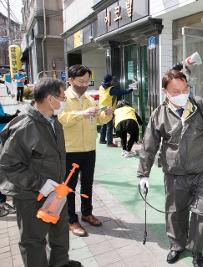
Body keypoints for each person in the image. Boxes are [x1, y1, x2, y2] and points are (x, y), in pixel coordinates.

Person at [137, 70, 203, 267]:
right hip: (174, 174)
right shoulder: (159, 114)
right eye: (175, 91)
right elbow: (148, 146)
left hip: (201, 171)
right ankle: (176, 245)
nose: (182, 94)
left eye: (185, 89)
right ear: (164, 91)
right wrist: (143, 174)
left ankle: (197, 249)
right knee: (175, 213)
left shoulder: (200, 105)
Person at [0, 78, 81, 267]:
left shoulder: (53, 122)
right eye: (62, 97)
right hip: (31, 196)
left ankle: (60, 263)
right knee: (33, 241)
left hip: (56, 191)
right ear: (50, 98)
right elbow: (7, 165)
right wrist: (40, 184)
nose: (64, 102)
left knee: (60, 235)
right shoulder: (25, 127)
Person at [58, 65, 113, 237]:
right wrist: (82, 113)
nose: (84, 84)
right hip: (70, 150)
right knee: (69, 187)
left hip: (89, 149)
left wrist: (108, 115)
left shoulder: (90, 99)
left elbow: (98, 120)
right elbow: (61, 120)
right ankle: (71, 219)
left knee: (87, 184)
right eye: (80, 81)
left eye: (87, 81)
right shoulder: (63, 98)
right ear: (70, 80)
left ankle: (87, 213)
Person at [98, 74, 133, 147]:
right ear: (110, 81)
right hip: (108, 109)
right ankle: (109, 143)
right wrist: (131, 89)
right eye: (112, 80)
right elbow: (121, 91)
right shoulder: (111, 89)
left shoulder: (101, 87)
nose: (113, 81)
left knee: (104, 125)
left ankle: (102, 140)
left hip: (101, 108)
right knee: (109, 126)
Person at [0, 102, 19, 217]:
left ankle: (2, 202)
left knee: (4, 173)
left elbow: (3, 115)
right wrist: (12, 117)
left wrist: (11, 115)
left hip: (2, 139)